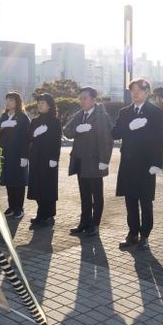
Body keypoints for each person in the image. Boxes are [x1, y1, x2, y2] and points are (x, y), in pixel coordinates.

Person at [112, 78, 163, 250]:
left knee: (146, 201)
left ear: (147, 93)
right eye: (132, 90)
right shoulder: (125, 112)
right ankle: (132, 233)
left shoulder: (155, 112)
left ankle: (145, 236)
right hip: (128, 162)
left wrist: (157, 162)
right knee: (130, 200)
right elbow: (115, 133)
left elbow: (159, 139)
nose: (135, 93)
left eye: (139, 90)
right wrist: (129, 127)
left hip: (147, 163)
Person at [63, 86, 114, 237]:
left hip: (95, 161)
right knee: (84, 194)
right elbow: (66, 131)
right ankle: (84, 222)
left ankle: (95, 224)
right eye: (80, 98)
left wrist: (104, 160)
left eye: (84, 98)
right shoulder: (80, 115)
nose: (82, 101)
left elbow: (107, 139)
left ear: (93, 99)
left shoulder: (101, 116)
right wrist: (77, 129)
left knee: (96, 195)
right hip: (80, 160)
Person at [27, 93, 61, 228]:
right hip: (36, 157)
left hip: (48, 159)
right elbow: (29, 138)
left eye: (43, 103)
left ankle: (49, 215)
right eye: (39, 103)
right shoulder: (35, 121)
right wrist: (35, 133)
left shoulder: (55, 122)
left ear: (49, 105)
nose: (39, 105)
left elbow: (57, 142)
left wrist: (54, 158)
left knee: (48, 187)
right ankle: (41, 213)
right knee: (37, 186)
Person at [0, 92, 31, 220]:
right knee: (9, 181)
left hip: (18, 154)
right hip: (5, 154)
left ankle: (19, 208)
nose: (8, 102)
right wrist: (2, 125)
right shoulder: (4, 116)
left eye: (11, 100)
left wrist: (25, 156)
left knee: (18, 182)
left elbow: (27, 138)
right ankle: (11, 207)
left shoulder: (23, 117)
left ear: (17, 102)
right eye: (7, 100)